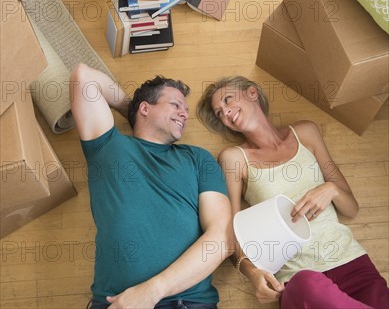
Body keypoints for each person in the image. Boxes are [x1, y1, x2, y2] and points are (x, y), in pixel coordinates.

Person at [196, 76, 389, 309]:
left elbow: (351, 209)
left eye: (227, 100)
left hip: (354, 264)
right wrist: (253, 273)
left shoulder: (306, 132)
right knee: (308, 284)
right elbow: (231, 234)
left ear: (252, 93)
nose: (226, 113)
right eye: (219, 113)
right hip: (298, 277)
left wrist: (332, 190)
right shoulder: (234, 158)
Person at [70, 63, 233, 309]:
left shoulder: (199, 159)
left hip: (187, 302)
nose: (184, 114)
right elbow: (83, 77)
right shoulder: (108, 145)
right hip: (115, 301)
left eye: (186, 109)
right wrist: (133, 109)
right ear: (146, 108)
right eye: (175, 105)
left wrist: (153, 290)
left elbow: (222, 238)